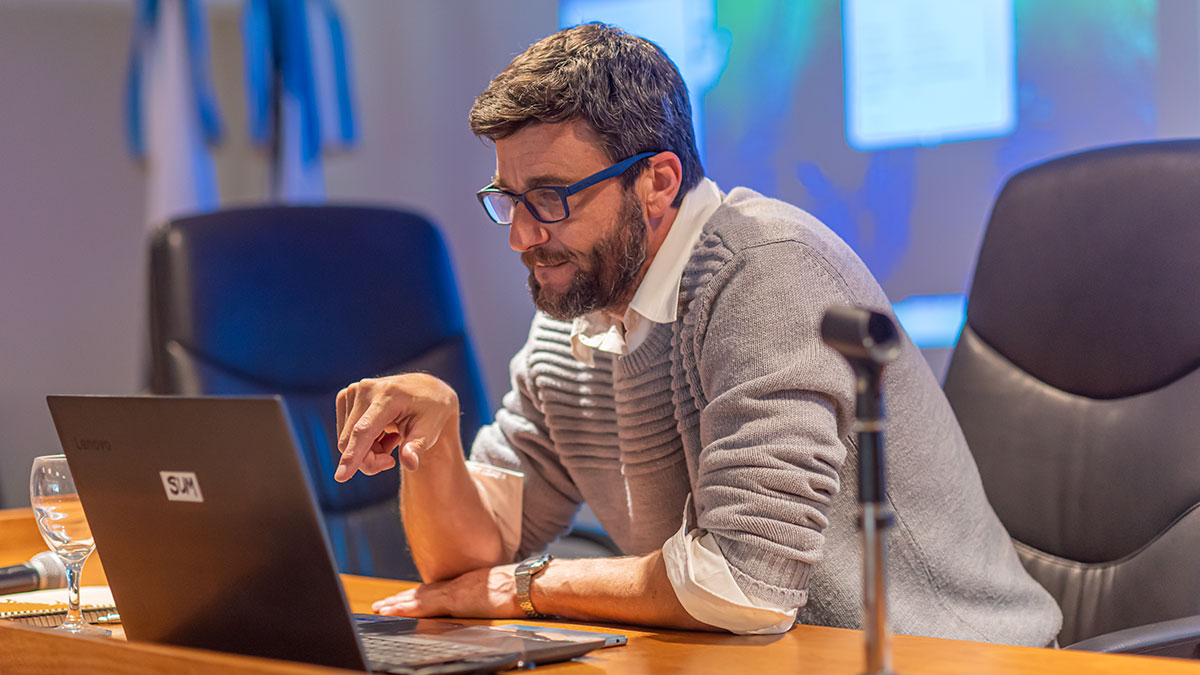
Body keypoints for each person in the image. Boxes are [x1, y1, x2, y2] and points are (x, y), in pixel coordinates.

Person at [333, 23, 1062, 643]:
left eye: (550, 198)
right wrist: (435, 440)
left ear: (656, 180)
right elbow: (466, 562)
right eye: (508, 199)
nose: (522, 235)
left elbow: (742, 584)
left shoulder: (765, 272)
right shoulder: (575, 320)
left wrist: (528, 585)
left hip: (959, 656)